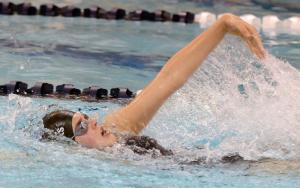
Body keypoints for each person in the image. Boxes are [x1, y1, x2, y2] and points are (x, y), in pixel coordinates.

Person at [43, 13, 265, 154]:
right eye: (81, 126)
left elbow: (168, 80)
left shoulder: (117, 129)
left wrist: (221, 26)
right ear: (72, 147)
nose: (93, 122)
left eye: (85, 117)